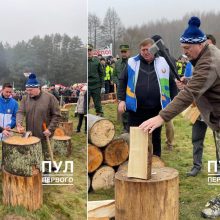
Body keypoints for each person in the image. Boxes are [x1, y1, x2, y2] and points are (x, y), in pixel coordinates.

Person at [139, 16, 220, 218]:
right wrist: (190, 79)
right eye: (182, 49)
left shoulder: (209, 61)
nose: (184, 53)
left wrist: (161, 117)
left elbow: (189, 95)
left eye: (187, 49)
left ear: (200, 44)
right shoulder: (207, 54)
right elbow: (204, 80)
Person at [118, 38, 177, 157]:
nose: (145, 52)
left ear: (154, 49)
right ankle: (135, 161)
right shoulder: (132, 62)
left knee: (155, 137)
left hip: (156, 108)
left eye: (148, 49)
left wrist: (174, 101)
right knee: (135, 136)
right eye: (143, 50)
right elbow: (122, 81)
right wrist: (121, 100)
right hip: (135, 109)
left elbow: (171, 83)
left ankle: (156, 159)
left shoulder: (163, 62)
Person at [16, 73, 61, 173]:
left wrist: (50, 129)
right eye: (27, 90)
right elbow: (20, 112)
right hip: (31, 135)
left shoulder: (50, 98)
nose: (28, 92)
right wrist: (19, 124)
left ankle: (47, 175)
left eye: (30, 90)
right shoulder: (25, 98)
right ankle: (36, 173)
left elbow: (56, 115)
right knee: (33, 154)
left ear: (38, 88)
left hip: (45, 134)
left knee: (47, 156)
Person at [114, 44, 131, 132]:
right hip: (121, 88)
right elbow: (114, 75)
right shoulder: (117, 63)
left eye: (125, 52)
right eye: (122, 52)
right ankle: (125, 126)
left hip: (131, 87)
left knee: (131, 106)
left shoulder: (132, 62)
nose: (123, 54)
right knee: (123, 107)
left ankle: (131, 124)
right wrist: (119, 83)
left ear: (129, 52)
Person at [88, 44, 104, 116]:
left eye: (90, 50)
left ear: (93, 51)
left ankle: (100, 115)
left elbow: (101, 74)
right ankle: (86, 117)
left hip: (96, 86)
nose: (88, 52)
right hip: (87, 86)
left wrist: (103, 86)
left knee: (97, 103)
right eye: (87, 51)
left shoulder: (97, 61)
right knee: (85, 103)